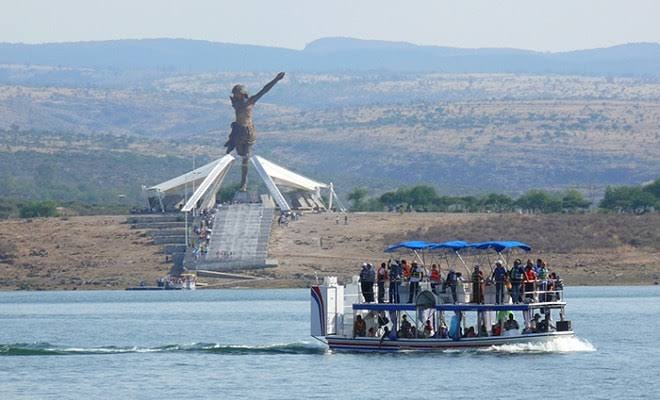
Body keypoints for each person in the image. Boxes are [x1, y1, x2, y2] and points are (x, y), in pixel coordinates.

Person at [224, 72, 286, 191]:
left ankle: (244, 183)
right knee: (239, 153)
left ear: (242, 94)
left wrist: (276, 79)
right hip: (238, 131)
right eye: (234, 94)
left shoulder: (250, 102)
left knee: (245, 157)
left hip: (248, 132)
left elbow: (264, 90)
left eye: (237, 93)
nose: (235, 95)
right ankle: (232, 144)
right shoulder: (235, 103)